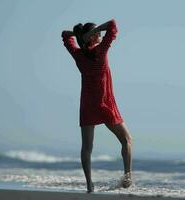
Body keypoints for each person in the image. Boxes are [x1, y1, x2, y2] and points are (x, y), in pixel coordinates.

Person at [61, 19, 133, 193]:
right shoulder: (100, 51)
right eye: (97, 34)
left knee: (86, 147)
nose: (100, 35)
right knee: (127, 140)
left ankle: (89, 184)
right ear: (92, 37)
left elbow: (65, 35)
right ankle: (127, 176)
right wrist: (89, 33)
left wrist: (79, 35)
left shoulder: (78, 54)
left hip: (87, 105)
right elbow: (113, 25)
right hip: (105, 104)